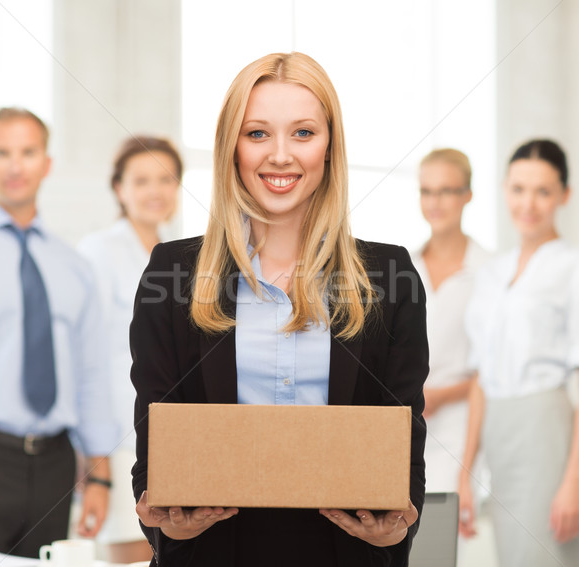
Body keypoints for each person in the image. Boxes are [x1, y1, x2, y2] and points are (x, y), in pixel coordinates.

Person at [130, 52, 429, 567]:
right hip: (214, 553)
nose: (281, 155)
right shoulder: (171, 273)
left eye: (304, 133)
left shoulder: (390, 276)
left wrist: (395, 529)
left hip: (342, 555)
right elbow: (154, 429)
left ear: (331, 147)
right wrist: (166, 518)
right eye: (258, 134)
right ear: (232, 148)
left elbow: (405, 436)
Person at [0, 107, 117, 558]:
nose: (15, 166)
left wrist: (99, 475)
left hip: (56, 467)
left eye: (28, 152)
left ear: (47, 164)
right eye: (2, 152)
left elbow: (92, 374)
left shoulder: (72, 267)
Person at [458, 139, 579, 566]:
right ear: (505, 190)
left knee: (545, 555)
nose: (528, 203)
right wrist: (466, 474)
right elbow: (480, 379)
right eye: (519, 189)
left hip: (547, 432)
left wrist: (574, 482)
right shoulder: (492, 273)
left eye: (543, 191)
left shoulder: (571, 266)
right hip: (498, 435)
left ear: (564, 195)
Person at [78, 135, 183, 563]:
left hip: (173, 437)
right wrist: (96, 462)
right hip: (121, 440)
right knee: (127, 555)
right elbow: (89, 362)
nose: (155, 191)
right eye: (141, 180)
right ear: (119, 189)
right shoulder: (98, 253)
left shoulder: (183, 256)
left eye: (165, 179)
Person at [411, 149, 490, 493]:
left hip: (461, 428)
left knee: (444, 538)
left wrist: (441, 396)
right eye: (427, 191)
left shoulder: (490, 270)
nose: (435, 202)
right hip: (408, 425)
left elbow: (490, 370)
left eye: (446, 190)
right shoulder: (403, 267)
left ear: (467, 195)